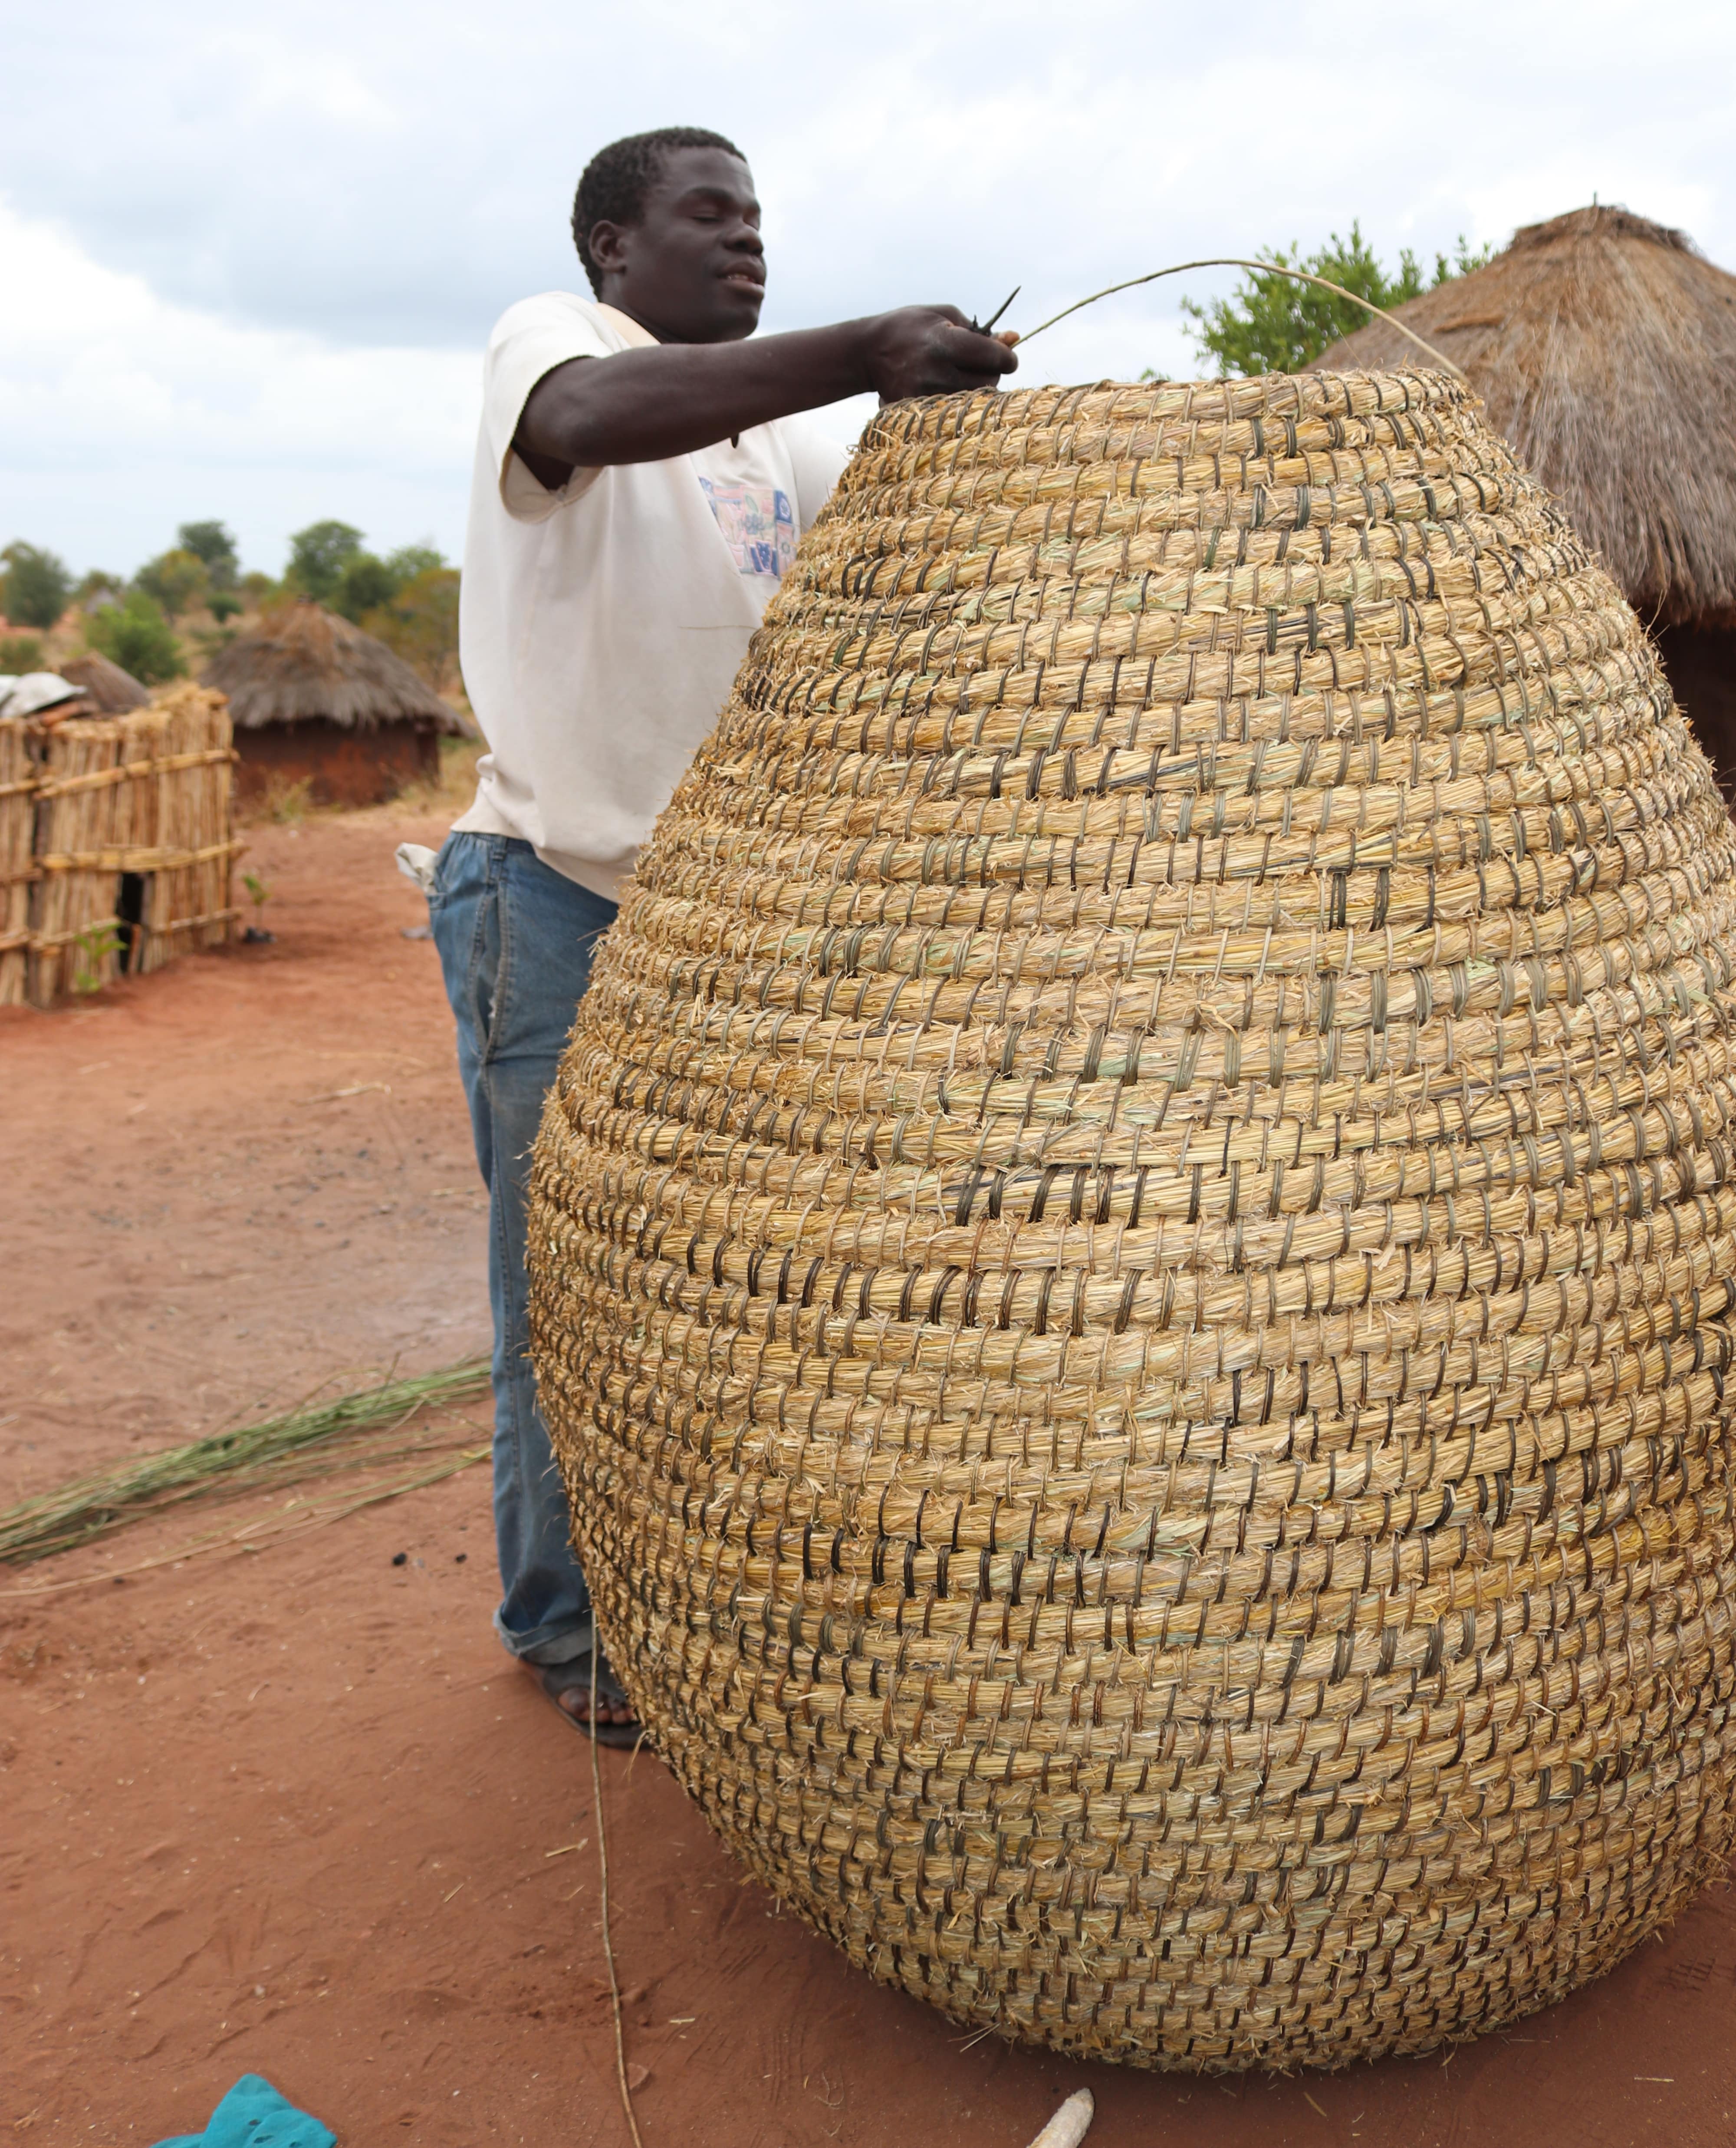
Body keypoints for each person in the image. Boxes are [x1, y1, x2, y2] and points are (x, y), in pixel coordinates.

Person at [427, 125, 1018, 1742]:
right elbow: (587, 424)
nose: (748, 240)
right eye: (709, 213)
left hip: (726, 931)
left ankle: (721, 1592)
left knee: (729, 1287)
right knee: (562, 1286)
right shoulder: (559, 347)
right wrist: (862, 348)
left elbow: (906, 539)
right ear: (613, 247)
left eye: (759, 216)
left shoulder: (771, 450)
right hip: (549, 899)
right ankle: (568, 1626)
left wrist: (948, 414)